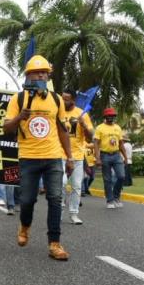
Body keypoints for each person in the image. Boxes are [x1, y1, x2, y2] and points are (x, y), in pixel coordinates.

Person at [3, 55, 73, 261]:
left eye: (45, 72)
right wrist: (19, 117)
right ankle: (25, 225)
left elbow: (62, 131)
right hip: (28, 157)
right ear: (29, 76)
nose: (41, 74)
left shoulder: (56, 99)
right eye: (37, 72)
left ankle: (54, 243)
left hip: (53, 157)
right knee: (27, 200)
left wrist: (69, 157)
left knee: (55, 199)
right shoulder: (18, 99)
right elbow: (6, 128)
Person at [59, 91, 93, 225]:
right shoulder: (58, 112)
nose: (63, 101)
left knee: (77, 186)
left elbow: (90, 137)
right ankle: (59, 212)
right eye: (62, 99)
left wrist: (84, 125)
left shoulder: (82, 113)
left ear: (73, 100)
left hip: (78, 155)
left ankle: (74, 214)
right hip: (60, 154)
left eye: (66, 99)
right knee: (61, 183)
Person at [94, 108, 127, 208]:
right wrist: (98, 158)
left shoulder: (117, 127)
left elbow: (121, 143)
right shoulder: (100, 128)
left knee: (121, 176)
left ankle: (116, 197)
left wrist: (125, 157)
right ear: (105, 117)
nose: (111, 117)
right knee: (107, 179)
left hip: (117, 155)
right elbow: (96, 143)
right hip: (105, 155)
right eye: (109, 115)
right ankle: (110, 201)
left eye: (112, 116)